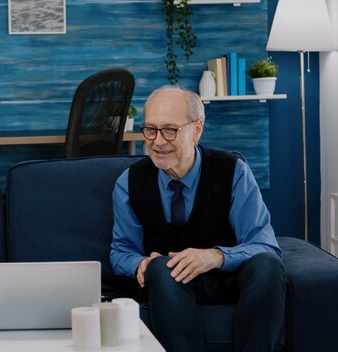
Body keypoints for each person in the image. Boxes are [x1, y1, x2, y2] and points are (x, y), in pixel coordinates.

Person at [110, 86, 286, 351]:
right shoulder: (129, 183)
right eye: (151, 129)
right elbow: (121, 250)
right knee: (161, 267)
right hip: (169, 285)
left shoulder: (234, 173)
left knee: (268, 265)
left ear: (197, 129)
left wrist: (215, 256)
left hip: (230, 279)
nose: (158, 141)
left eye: (170, 130)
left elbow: (265, 245)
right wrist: (140, 264)